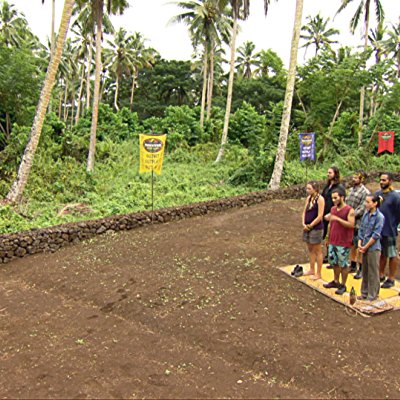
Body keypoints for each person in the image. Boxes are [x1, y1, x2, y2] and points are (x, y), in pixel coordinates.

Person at [323, 187, 355, 295]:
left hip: (344, 242)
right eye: (332, 198)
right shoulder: (333, 209)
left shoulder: (349, 210)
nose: (334, 200)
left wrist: (337, 219)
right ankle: (335, 280)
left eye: (336, 198)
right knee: (334, 262)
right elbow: (330, 224)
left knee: (343, 264)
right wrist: (328, 237)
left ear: (342, 197)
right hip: (333, 240)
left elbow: (351, 225)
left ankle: (343, 284)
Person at [357, 194, 385, 301]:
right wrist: (360, 243)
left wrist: (366, 246)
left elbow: (376, 235)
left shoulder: (379, 217)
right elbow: (362, 230)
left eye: (368, 202)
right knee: (365, 271)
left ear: (375, 203)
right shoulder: (365, 215)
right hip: (364, 245)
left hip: (373, 248)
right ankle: (364, 293)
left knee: (373, 272)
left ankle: (372, 295)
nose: (366, 204)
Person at [375, 173, 400, 289]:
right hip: (379, 230)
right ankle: (380, 274)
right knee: (382, 253)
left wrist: (394, 225)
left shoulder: (395, 197)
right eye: (380, 180)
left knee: (392, 254)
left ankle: (391, 278)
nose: (381, 182)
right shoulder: (377, 194)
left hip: (390, 229)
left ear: (390, 181)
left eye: (384, 180)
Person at [346, 171, 370, 279]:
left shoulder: (365, 192)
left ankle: (361, 268)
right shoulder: (351, 190)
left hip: (358, 222)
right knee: (351, 244)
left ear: (362, 179)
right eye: (353, 177)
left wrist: (351, 215)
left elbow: (362, 208)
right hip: (349, 221)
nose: (354, 179)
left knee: (359, 244)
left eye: (356, 178)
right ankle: (353, 264)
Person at [321, 167, 346, 265]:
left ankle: (334, 256)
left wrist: (333, 213)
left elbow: (341, 203)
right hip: (325, 213)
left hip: (334, 214)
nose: (328, 174)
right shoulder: (328, 186)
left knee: (333, 235)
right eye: (327, 172)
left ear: (335, 174)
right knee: (327, 235)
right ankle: (328, 255)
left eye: (330, 173)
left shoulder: (339, 188)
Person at [302, 181, 325, 280]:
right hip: (307, 226)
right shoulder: (309, 198)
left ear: (315, 189)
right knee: (310, 248)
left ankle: (319, 272)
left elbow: (320, 216)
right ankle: (312, 268)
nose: (307, 191)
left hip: (316, 228)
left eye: (309, 189)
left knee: (317, 250)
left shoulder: (320, 199)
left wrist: (311, 225)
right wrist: (303, 223)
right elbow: (304, 212)